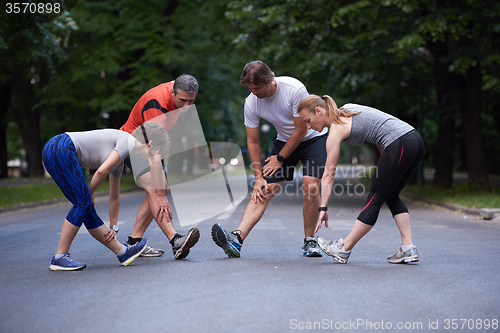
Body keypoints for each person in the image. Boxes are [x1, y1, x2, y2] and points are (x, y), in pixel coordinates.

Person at [211, 61, 328, 258]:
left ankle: (310, 241)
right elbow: (253, 141)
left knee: (311, 185)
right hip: (284, 140)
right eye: (250, 89)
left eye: (257, 88)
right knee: (264, 189)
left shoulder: (294, 89)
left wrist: (280, 158)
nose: (254, 93)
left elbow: (301, 130)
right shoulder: (251, 102)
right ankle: (236, 240)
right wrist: (258, 177)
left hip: (313, 138)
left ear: (269, 80)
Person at [297, 95, 425, 264]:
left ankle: (344, 248)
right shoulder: (348, 109)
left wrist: (323, 208)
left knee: (374, 197)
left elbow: (328, 174)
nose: (308, 127)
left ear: (319, 111)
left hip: (399, 143)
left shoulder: (336, 130)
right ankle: (408, 248)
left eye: (308, 120)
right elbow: (380, 127)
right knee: (391, 195)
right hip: (414, 140)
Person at [42, 122, 169, 271]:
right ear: (151, 144)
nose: (155, 157)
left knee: (86, 207)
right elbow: (101, 172)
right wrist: (89, 193)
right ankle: (60, 257)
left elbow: (114, 195)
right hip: (60, 147)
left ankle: (123, 253)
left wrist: (113, 227)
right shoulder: (128, 141)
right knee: (83, 203)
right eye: (157, 152)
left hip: (56, 149)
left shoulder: (122, 156)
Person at [120, 74, 200, 259]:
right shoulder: (156, 105)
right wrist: (161, 195)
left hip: (145, 146)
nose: (187, 106)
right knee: (156, 191)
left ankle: (133, 243)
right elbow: (154, 153)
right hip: (130, 146)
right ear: (173, 92)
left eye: (192, 101)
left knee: (160, 188)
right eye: (183, 101)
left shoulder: (180, 88)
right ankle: (175, 241)